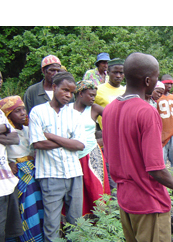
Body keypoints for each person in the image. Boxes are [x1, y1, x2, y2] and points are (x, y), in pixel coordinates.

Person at [102, 52, 173, 242]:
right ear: (148, 80)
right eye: (157, 76)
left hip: (125, 200)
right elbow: (155, 168)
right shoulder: (146, 111)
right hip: (148, 203)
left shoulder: (109, 110)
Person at [29, 72, 86, 241]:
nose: (68, 95)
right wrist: (68, 141)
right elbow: (38, 144)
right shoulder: (37, 112)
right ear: (54, 87)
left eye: (72, 92)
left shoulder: (75, 115)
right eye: (65, 90)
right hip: (50, 175)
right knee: (51, 224)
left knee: (76, 222)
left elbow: (80, 145)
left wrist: (51, 136)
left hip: (74, 173)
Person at [0, 96, 44, 242]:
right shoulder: (6, 132)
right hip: (19, 176)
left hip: (34, 173)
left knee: (37, 208)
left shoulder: (29, 129)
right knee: (25, 210)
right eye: (17, 111)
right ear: (7, 115)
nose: (23, 113)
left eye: (23, 109)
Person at [70, 80, 111, 217]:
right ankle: (80, 222)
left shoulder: (93, 109)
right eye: (91, 95)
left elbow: (114, 118)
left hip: (92, 153)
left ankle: (101, 221)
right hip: (73, 154)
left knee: (95, 187)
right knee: (78, 189)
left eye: (95, 95)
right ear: (80, 94)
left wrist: (104, 139)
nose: (93, 98)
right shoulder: (67, 109)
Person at [0, 109, 23, 241]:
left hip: (6, 183)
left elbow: (15, 138)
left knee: (8, 232)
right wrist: (4, 129)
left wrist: (6, 127)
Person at [156, 74, 173, 168]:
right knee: (161, 156)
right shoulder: (157, 98)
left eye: (171, 84)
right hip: (161, 130)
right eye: (167, 84)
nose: (169, 86)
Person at [94, 58, 125, 129]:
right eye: (115, 72)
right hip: (104, 134)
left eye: (121, 73)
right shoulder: (98, 90)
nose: (118, 76)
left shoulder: (126, 91)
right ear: (108, 73)